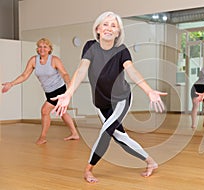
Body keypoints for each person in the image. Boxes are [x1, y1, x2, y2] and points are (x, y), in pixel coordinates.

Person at [51, 11, 167, 183]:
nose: (109, 28)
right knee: (120, 137)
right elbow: (82, 69)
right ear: (97, 29)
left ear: (118, 32)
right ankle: (151, 162)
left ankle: (88, 169)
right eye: (105, 24)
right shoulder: (91, 47)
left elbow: (132, 71)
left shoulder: (121, 50)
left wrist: (148, 90)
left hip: (120, 99)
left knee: (106, 132)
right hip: (100, 103)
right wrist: (68, 93)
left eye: (114, 26)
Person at [1, 38, 80, 145]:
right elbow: (24, 75)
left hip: (59, 89)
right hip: (48, 91)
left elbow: (64, 73)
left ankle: (43, 137)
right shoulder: (34, 60)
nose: (42, 49)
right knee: (62, 112)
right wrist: (11, 84)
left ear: (49, 49)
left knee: (44, 111)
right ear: (37, 49)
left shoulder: (54, 60)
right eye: (40, 47)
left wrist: (69, 84)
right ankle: (74, 133)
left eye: (45, 47)